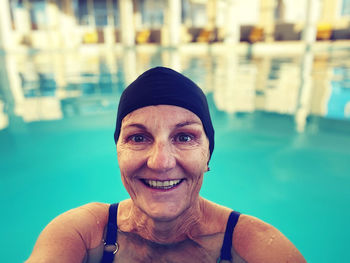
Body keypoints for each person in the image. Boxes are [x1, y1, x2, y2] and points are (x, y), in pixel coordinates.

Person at [26, 67, 306, 263]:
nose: (160, 162)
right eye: (138, 138)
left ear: (208, 154)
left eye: (184, 137)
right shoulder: (81, 233)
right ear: (118, 153)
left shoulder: (256, 246)